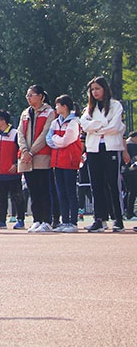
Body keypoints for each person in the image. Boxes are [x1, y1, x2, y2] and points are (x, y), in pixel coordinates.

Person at [80, 76, 126, 232]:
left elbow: (116, 126)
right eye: (92, 89)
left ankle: (118, 218)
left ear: (105, 89)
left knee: (113, 184)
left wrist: (96, 128)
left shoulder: (115, 105)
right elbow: (84, 125)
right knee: (96, 184)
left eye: (97, 89)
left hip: (111, 147)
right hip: (93, 149)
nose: (95, 92)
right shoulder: (89, 109)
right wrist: (101, 125)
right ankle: (99, 219)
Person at [17, 85, 56, 233]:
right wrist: (24, 151)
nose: (28, 98)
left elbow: (45, 134)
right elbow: (20, 133)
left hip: (41, 156)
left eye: (31, 95)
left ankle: (47, 220)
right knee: (32, 190)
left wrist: (31, 151)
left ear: (41, 96)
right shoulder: (25, 113)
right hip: (26, 158)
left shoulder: (49, 112)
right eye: (27, 95)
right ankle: (36, 219)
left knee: (44, 189)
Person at [46, 95, 82, 233]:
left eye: (58, 105)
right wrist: (57, 141)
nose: (56, 108)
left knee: (70, 192)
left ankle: (73, 222)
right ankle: (65, 220)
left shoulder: (74, 122)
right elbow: (48, 139)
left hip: (70, 161)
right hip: (57, 161)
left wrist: (56, 139)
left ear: (64, 106)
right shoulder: (55, 122)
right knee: (61, 193)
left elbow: (66, 141)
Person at [0, 110, 26, 230]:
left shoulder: (15, 134)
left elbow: (21, 150)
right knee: (1, 199)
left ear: (3, 121)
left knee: (17, 197)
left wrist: (16, 164)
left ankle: (20, 220)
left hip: (12, 173)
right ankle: (1, 221)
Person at [123, 131, 137, 220]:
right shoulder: (132, 146)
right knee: (132, 191)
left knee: (128, 191)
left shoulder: (125, 146)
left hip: (125, 171)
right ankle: (129, 213)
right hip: (132, 172)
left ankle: (126, 211)